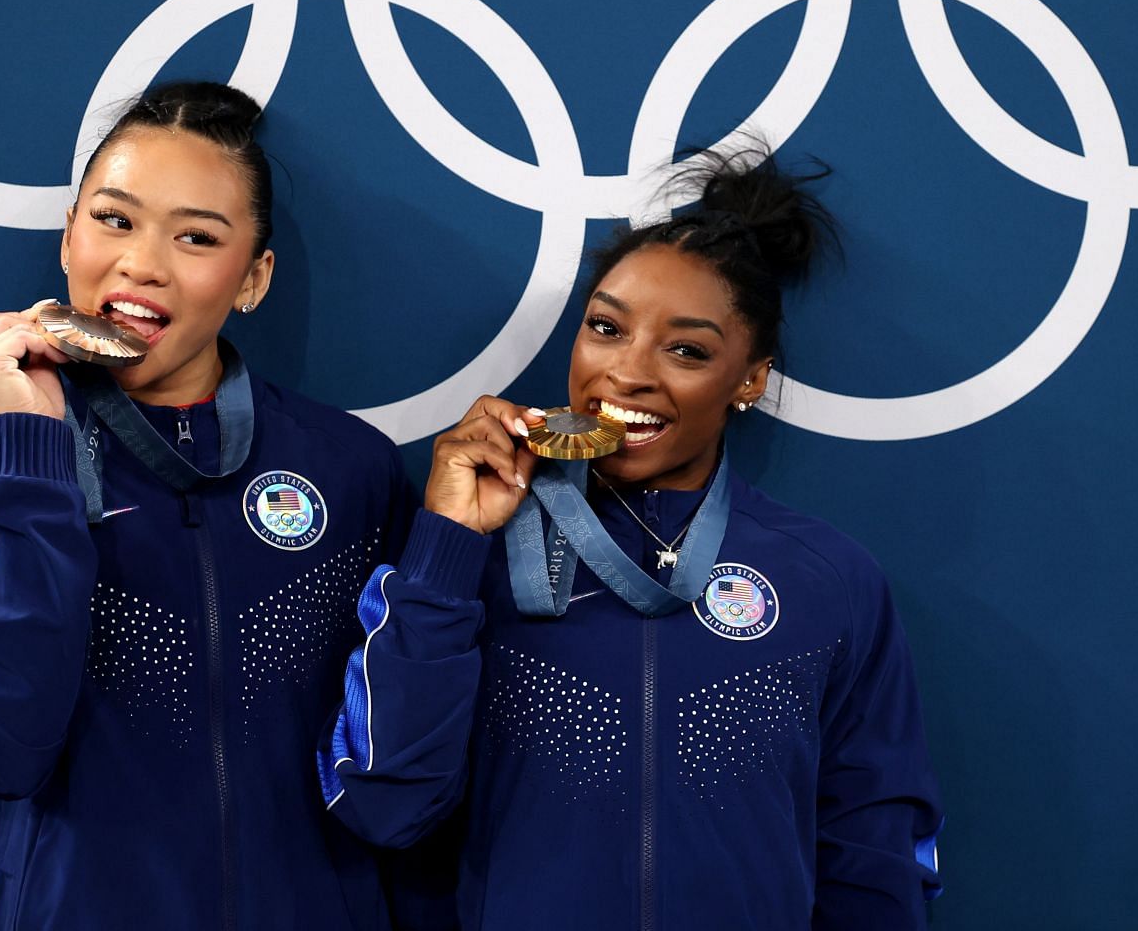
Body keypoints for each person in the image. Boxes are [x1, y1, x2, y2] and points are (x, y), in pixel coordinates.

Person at [319, 146, 944, 929]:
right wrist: (446, 545)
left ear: (749, 379)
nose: (628, 374)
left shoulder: (831, 579)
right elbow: (384, 802)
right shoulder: (471, 548)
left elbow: (873, 855)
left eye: (687, 349)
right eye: (607, 328)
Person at [0, 81, 417, 931]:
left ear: (253, 277)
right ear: (68, 235)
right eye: (114, 219)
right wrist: (30, 459)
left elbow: (403, 771)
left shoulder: (353, 470)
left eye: (197, 236)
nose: (142, 263)